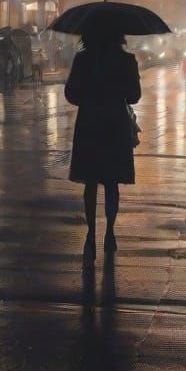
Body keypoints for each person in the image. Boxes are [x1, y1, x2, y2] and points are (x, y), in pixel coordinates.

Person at [64, 28, 141, 259]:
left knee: (90, 182)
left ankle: (90, 235)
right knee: (111, 182)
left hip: (89, 123)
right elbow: (134, 96)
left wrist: (89, 97)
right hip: (115, 125)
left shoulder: (83, 59)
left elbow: (71, 93)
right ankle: (109, 232)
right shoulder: (126, 60)